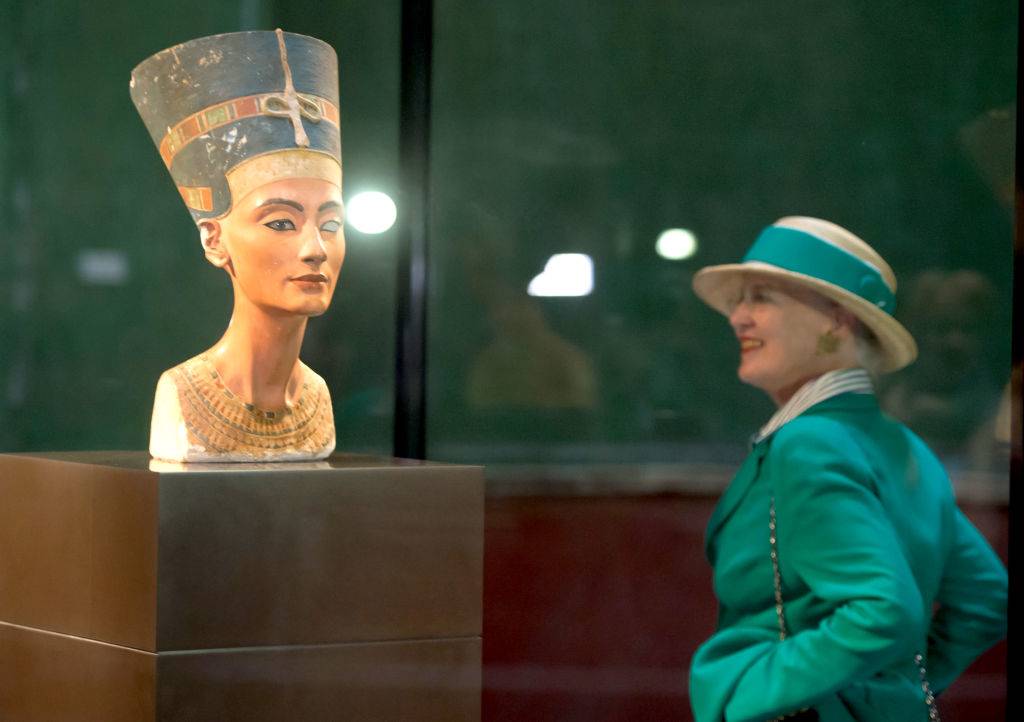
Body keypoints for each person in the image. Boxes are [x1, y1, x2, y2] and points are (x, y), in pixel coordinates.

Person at [687, 216, 1007, 721]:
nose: (738, 318)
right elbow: (987, 598)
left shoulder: (808, 444)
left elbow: (884, 609)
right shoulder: (905, 446)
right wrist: (895, 690)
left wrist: (747, 694)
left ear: (837, 320)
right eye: (739, 301)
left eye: (761, 299)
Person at [130, 30, 344, 461]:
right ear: (214, 240)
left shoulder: (318, 394)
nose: (315, 248)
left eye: (331, 224)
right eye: (281, 223)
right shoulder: (181, 393)